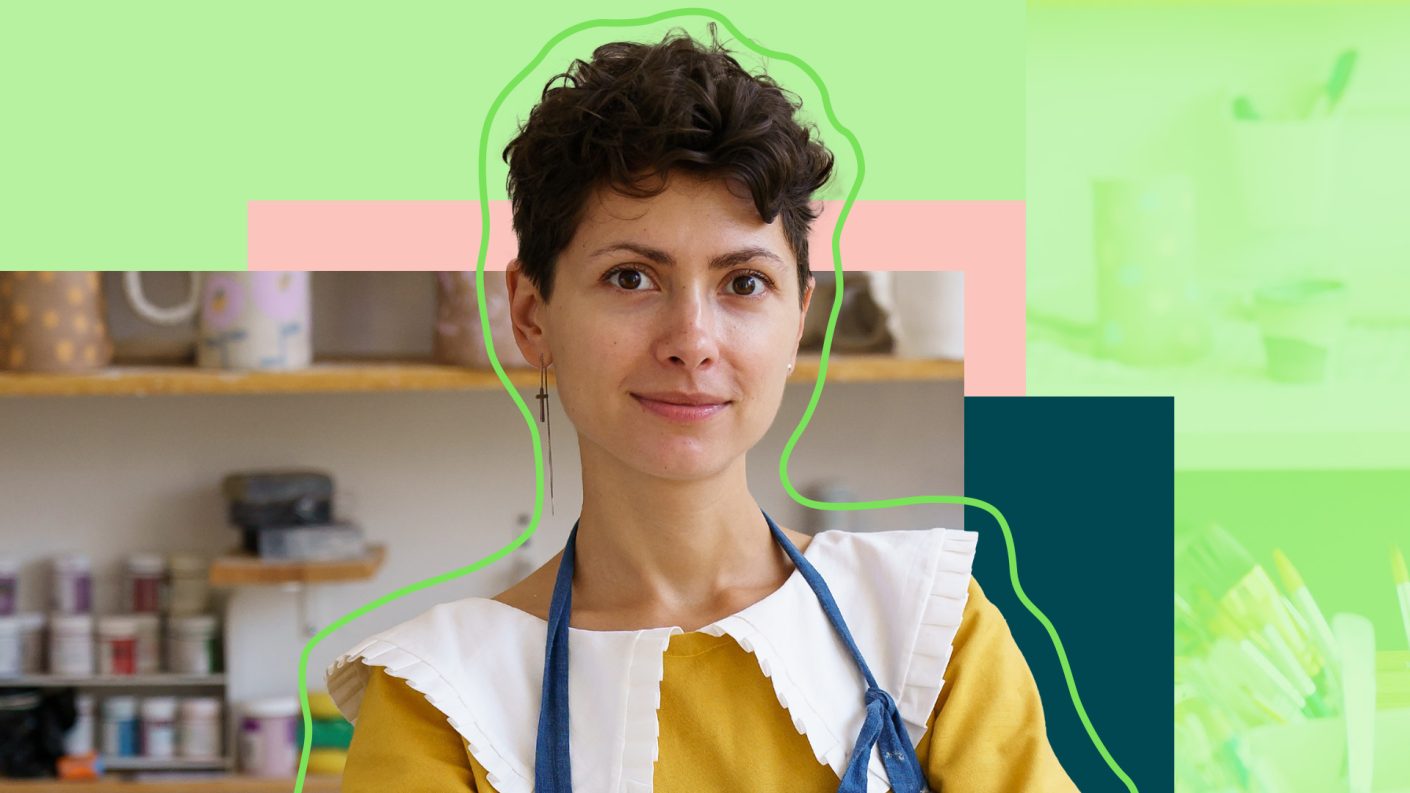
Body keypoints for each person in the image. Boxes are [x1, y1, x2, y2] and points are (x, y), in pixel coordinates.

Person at [328, 25, 1077, 792]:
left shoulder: (930, 629)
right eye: (630, 278)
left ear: (797, 317)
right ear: (531, 315)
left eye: (743, 283)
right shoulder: (444, 699)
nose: (692, 340)